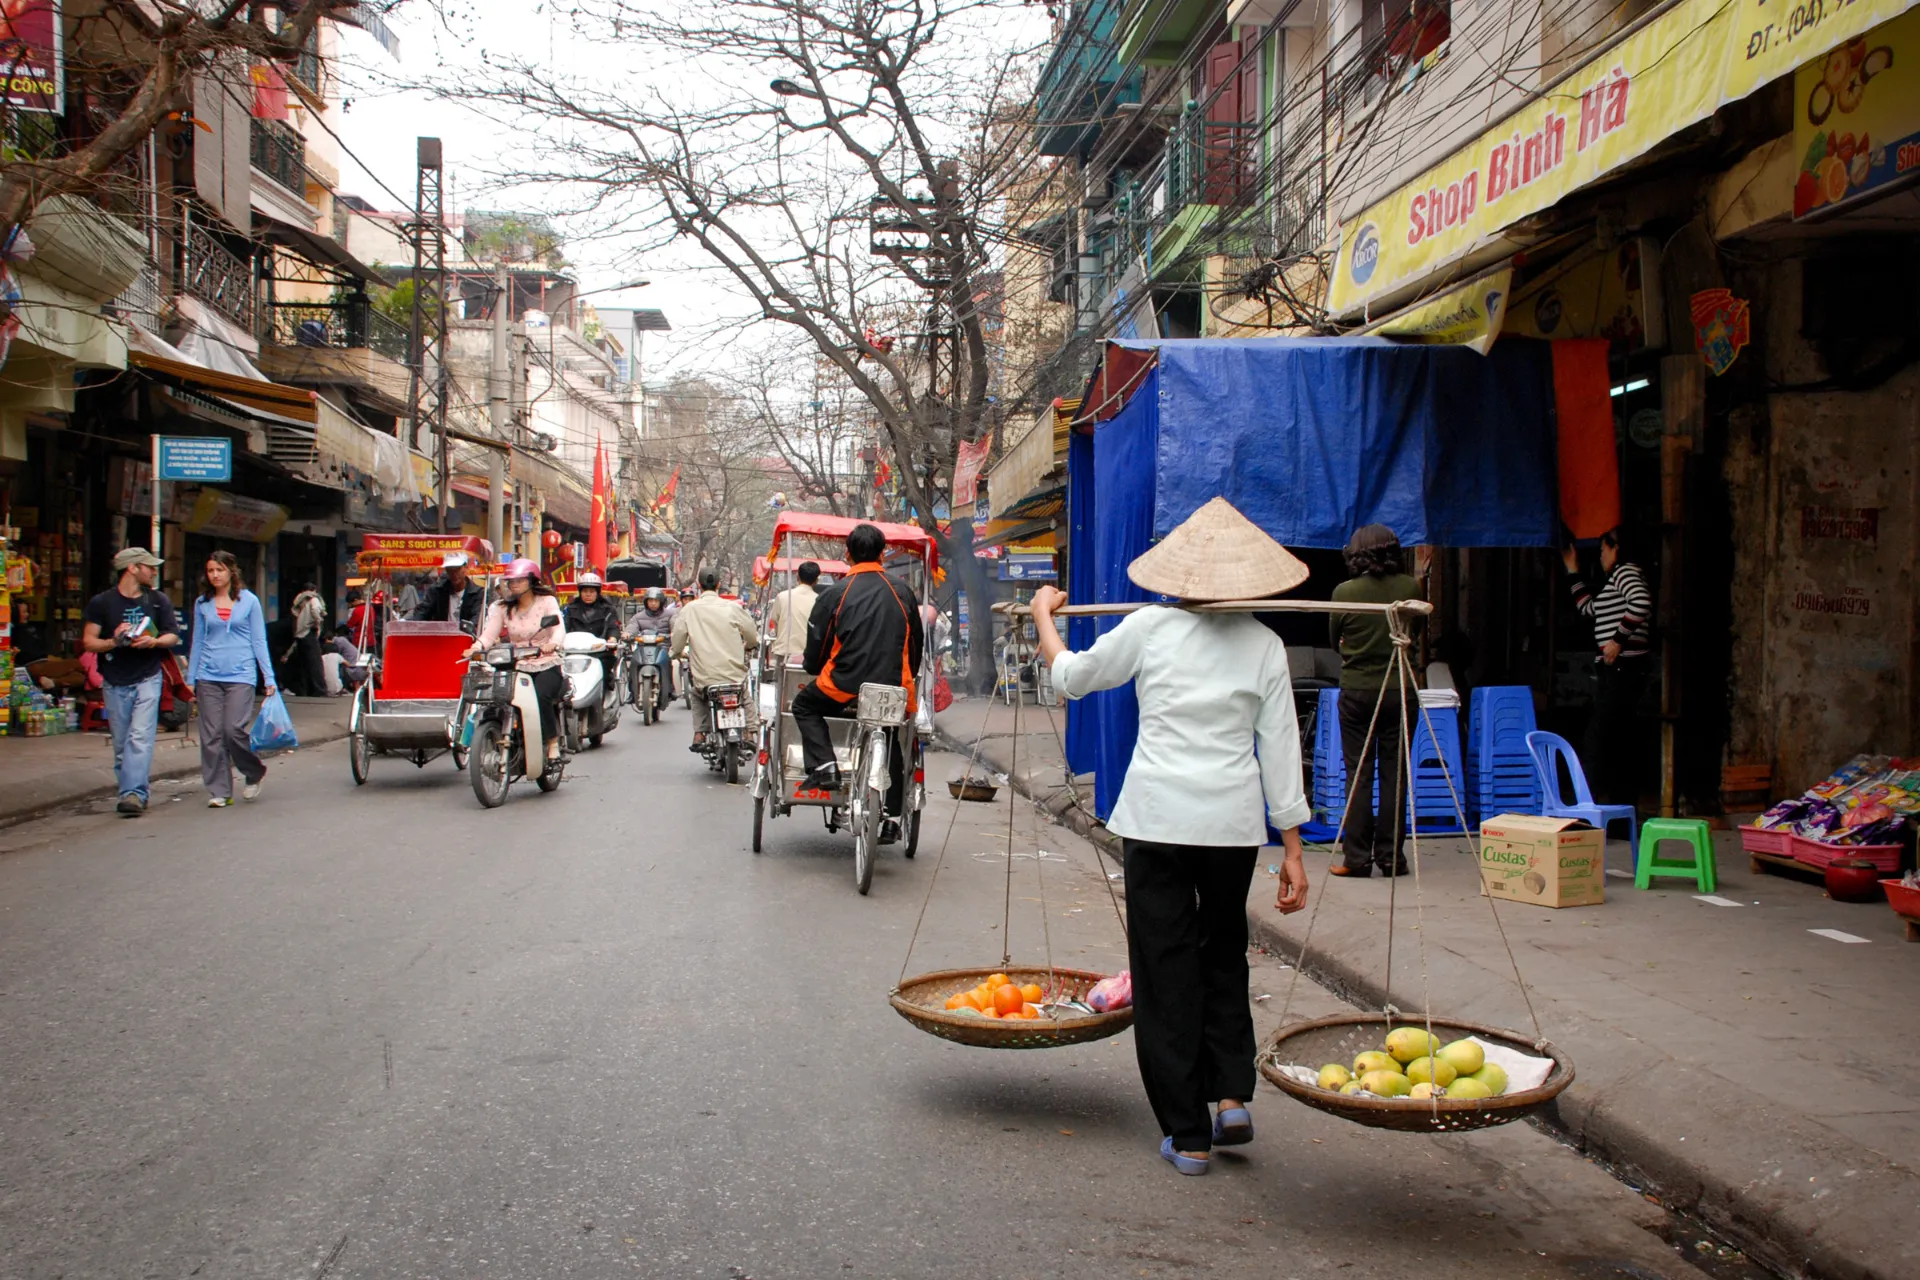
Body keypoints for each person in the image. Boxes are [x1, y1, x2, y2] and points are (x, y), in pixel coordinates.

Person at [1028, 497, 1311, 1177]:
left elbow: (1072, 678)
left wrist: (1043, 616)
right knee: (1223, 952)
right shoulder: (1265, 644)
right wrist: (1294, 848)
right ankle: (1231, 1094)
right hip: (1232, 825)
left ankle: (1188, 1134)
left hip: (1158, 820)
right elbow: (1281, 749)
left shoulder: (1149, 628)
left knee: (1164, 966)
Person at [793, 524, 923, 826]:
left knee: (804, 705)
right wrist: (909, 678)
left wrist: (813, 667)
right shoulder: (902, 590)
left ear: (847, 554)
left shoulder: (835, 593)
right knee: (890, 735)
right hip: (892, 687)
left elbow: (818, 647)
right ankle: (891, 817)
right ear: (882, 554)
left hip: (843, 685)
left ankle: (825, 765)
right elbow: (914, 644)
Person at [1329, 524, 1422, 878]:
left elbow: (1333, 638)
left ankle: (1356, 859)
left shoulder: (1344, 592)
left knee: (1359, 773)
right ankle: (1391, 858)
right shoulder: (1410, 587)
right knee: (1395, 774)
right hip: (1400, 689)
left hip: (1357, 690)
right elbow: (1414, 634)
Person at [81, 547, 182, 817]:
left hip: (148, 676)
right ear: (132, 568)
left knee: (140, 737)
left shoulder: (159, 600)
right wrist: (114, 641)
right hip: (114, 679)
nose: (154, 570)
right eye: (148, 566)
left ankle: (133, 794)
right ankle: (131, 790)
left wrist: (155, 641)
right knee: (122, 742)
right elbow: (88, 641)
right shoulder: (102, 603)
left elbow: (173, 635)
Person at [1562, 527, 1653, 805]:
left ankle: (1586, 807)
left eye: (1604, 549)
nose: (1601, 555)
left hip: (1622, 667)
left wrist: (1617, 640)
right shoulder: (1614, 580)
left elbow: (1641, 603)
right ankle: (1617, 808)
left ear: (1617, 549)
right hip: (1616, 669)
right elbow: (1589, 609)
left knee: (1598, 738)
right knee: (1616, 739)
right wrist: (1573, 571)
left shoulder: (1626, 572)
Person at [183, 550, 276, 808]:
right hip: (207, 675)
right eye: (211, 570)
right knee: (210, 735)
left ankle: (253, 771)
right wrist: (191, 678)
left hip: (241, 674)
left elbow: (259, 640)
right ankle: (220, 791)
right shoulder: (202, 603)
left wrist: (269, 677)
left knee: (232, 730)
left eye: (219, 570)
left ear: (231, 572)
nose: (214, 575)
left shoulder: (249, 601)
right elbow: (198, 641)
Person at [467, 558, 567, 769]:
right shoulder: (502, 608)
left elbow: (558, 628)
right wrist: (476, 647)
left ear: (531, 581)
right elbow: (489, 634)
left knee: (540, 697)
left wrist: (553, 643)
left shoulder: (546, 602)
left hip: (545, 661)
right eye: (511, 582)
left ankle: (552, 744)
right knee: (497, 699)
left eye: (519, 581)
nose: (513, 586)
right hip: (515, 662)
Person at [670, 569, 758, 753]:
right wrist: (749, 645)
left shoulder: (689, 609)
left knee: (696, 694)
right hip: (733, 674)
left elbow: (678, 639)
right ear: (719, 585)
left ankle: (700, 733)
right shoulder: (733, 607)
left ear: (699, 586)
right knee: (744, 694)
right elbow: (751, 632)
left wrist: (676, 653)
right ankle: (750, 731)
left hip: (705, 676)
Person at [564, 571, 622, 689]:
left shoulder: (608, 610)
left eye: (591, 591)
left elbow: (613, 627)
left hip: (600, 651)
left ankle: (605, 693)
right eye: (585, 591)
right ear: (580, 592)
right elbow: (563, 628)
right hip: (574, 651)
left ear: (597, 592)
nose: (588, 595)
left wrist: (612, 639)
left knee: (604, 672)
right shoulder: (570, 609)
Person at [623, 587, 678, 706]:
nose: (653, 603)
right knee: (633, 662)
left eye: (656, 601)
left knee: (667, 662)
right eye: (650, 601)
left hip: (663, 646)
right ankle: (632, 692)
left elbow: (675, 626)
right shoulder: (638, 616)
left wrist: (673, 633)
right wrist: (627, 633)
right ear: (646, 602)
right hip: (643, 647)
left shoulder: (671, 614)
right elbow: (632, 627)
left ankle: (670, 688)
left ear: (661, 602)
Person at [414, 550, 487, 633]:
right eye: (450, 569)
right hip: (441, 638)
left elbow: (476, 619)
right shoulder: (436, 591)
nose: (454, 573)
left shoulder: (478, 593)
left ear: (465, 567)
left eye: (457, 569)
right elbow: (422, 612)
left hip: (466, 639)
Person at [767, 560, 821, 663]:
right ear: (816, 580)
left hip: (785, 652)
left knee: (781, 679)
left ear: (797, 577)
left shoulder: (782, 597)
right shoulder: (820, 601)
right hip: (809, 656)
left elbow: (775, 619)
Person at [287, 582, 328, 697]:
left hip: (299, 633)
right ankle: (319, 690)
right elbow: (315, 609)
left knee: (304, 664)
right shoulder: (313, 598)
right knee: (315, 663)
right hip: (309, 631)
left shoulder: (299, 599)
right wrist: (318, 621)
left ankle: (305, 690)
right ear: (314, 590)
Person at [329, 626, 368, 691]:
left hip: (353, 667)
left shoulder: (339, 640)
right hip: (358, 665)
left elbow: (335, 655)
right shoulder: (345, 641)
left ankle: (344, 687)